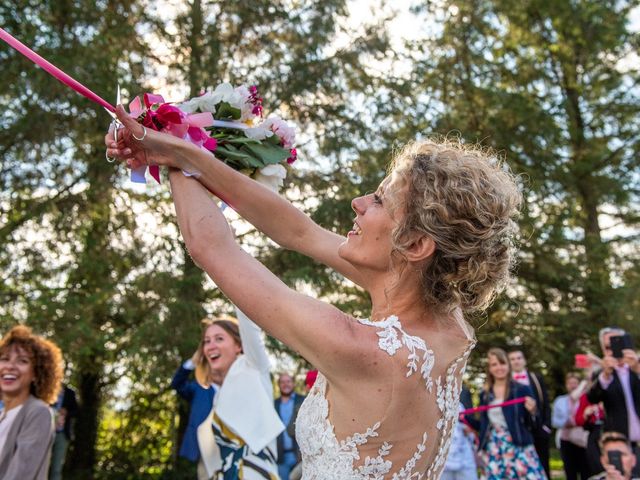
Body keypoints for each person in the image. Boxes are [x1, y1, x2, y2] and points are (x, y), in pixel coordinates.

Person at [105, 107, 521, 477]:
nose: (358, 203)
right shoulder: (450, 324)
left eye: (379, 201)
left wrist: (168, 156)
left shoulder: (361, 349)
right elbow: (297, 230)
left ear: (414, 245)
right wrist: (182, 147)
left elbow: (211, 247)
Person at [470, 348, 546, 479]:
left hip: (518, 444)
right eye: (494, 364)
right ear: (489, 368)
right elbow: (483, 425)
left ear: (508, 365)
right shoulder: (485, 394)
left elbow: (534, 423)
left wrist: (532, 411)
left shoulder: (522, 389)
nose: (499, 367)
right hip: (494, 447)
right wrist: (463, 417)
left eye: (502, 363)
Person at [0, 325, 63, 480]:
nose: (10, 366)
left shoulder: (38, 412)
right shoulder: (3, 415)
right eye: (4, 359)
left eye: (22, 361)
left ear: (36, 373)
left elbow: (20, 475)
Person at [171, 319, 223, 478]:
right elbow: (177, 384)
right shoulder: (198, 388)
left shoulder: (234, 387)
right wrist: (193, 363)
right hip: (205, 454)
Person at [588, 328, 640, 475]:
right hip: (620, 444)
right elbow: (592, 398)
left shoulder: (637, 366)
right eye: (607, 347)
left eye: (616, 344)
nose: (612, 350)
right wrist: (605, 375)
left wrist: (637, 369)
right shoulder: (601, 373)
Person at [508, 349, 552, 477]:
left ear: (524, 360)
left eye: (519, 358)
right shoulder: (506, 382)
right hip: (517, 430)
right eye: (512, 359)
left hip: (539, 429)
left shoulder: (536, 378)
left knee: (543, 466)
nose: (516, 361)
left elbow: (545, 403)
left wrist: (546, 427)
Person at [552, 372, 589, 480]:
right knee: (570, 471)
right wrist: (567, 422)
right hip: (566, 439)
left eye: (575, 383)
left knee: (585, 470)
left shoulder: (586, 399)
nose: (573, 385)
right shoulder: (560, 401)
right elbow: (554, 421)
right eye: (570, 383)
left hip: (583, 440)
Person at [441, 387, 478, 480]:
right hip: (441, 451)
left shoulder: (464, 392)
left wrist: (469, 427)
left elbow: (470, 420)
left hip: (463, 451)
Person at [274, 373, 305, 480]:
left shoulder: (303, 400)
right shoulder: (274, 404)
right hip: (281, 455)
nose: (285, 384)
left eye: (288, 381)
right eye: (282, 382)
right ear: (278, 384)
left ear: (293, 384)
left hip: (300, 453)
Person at [48, 383, 79, 480]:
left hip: (62, 434)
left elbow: (76, 411)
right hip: (46, 433)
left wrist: (67, 412)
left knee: (56, 468)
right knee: (40, 463)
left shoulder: (70, 392)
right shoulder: (47, 389)